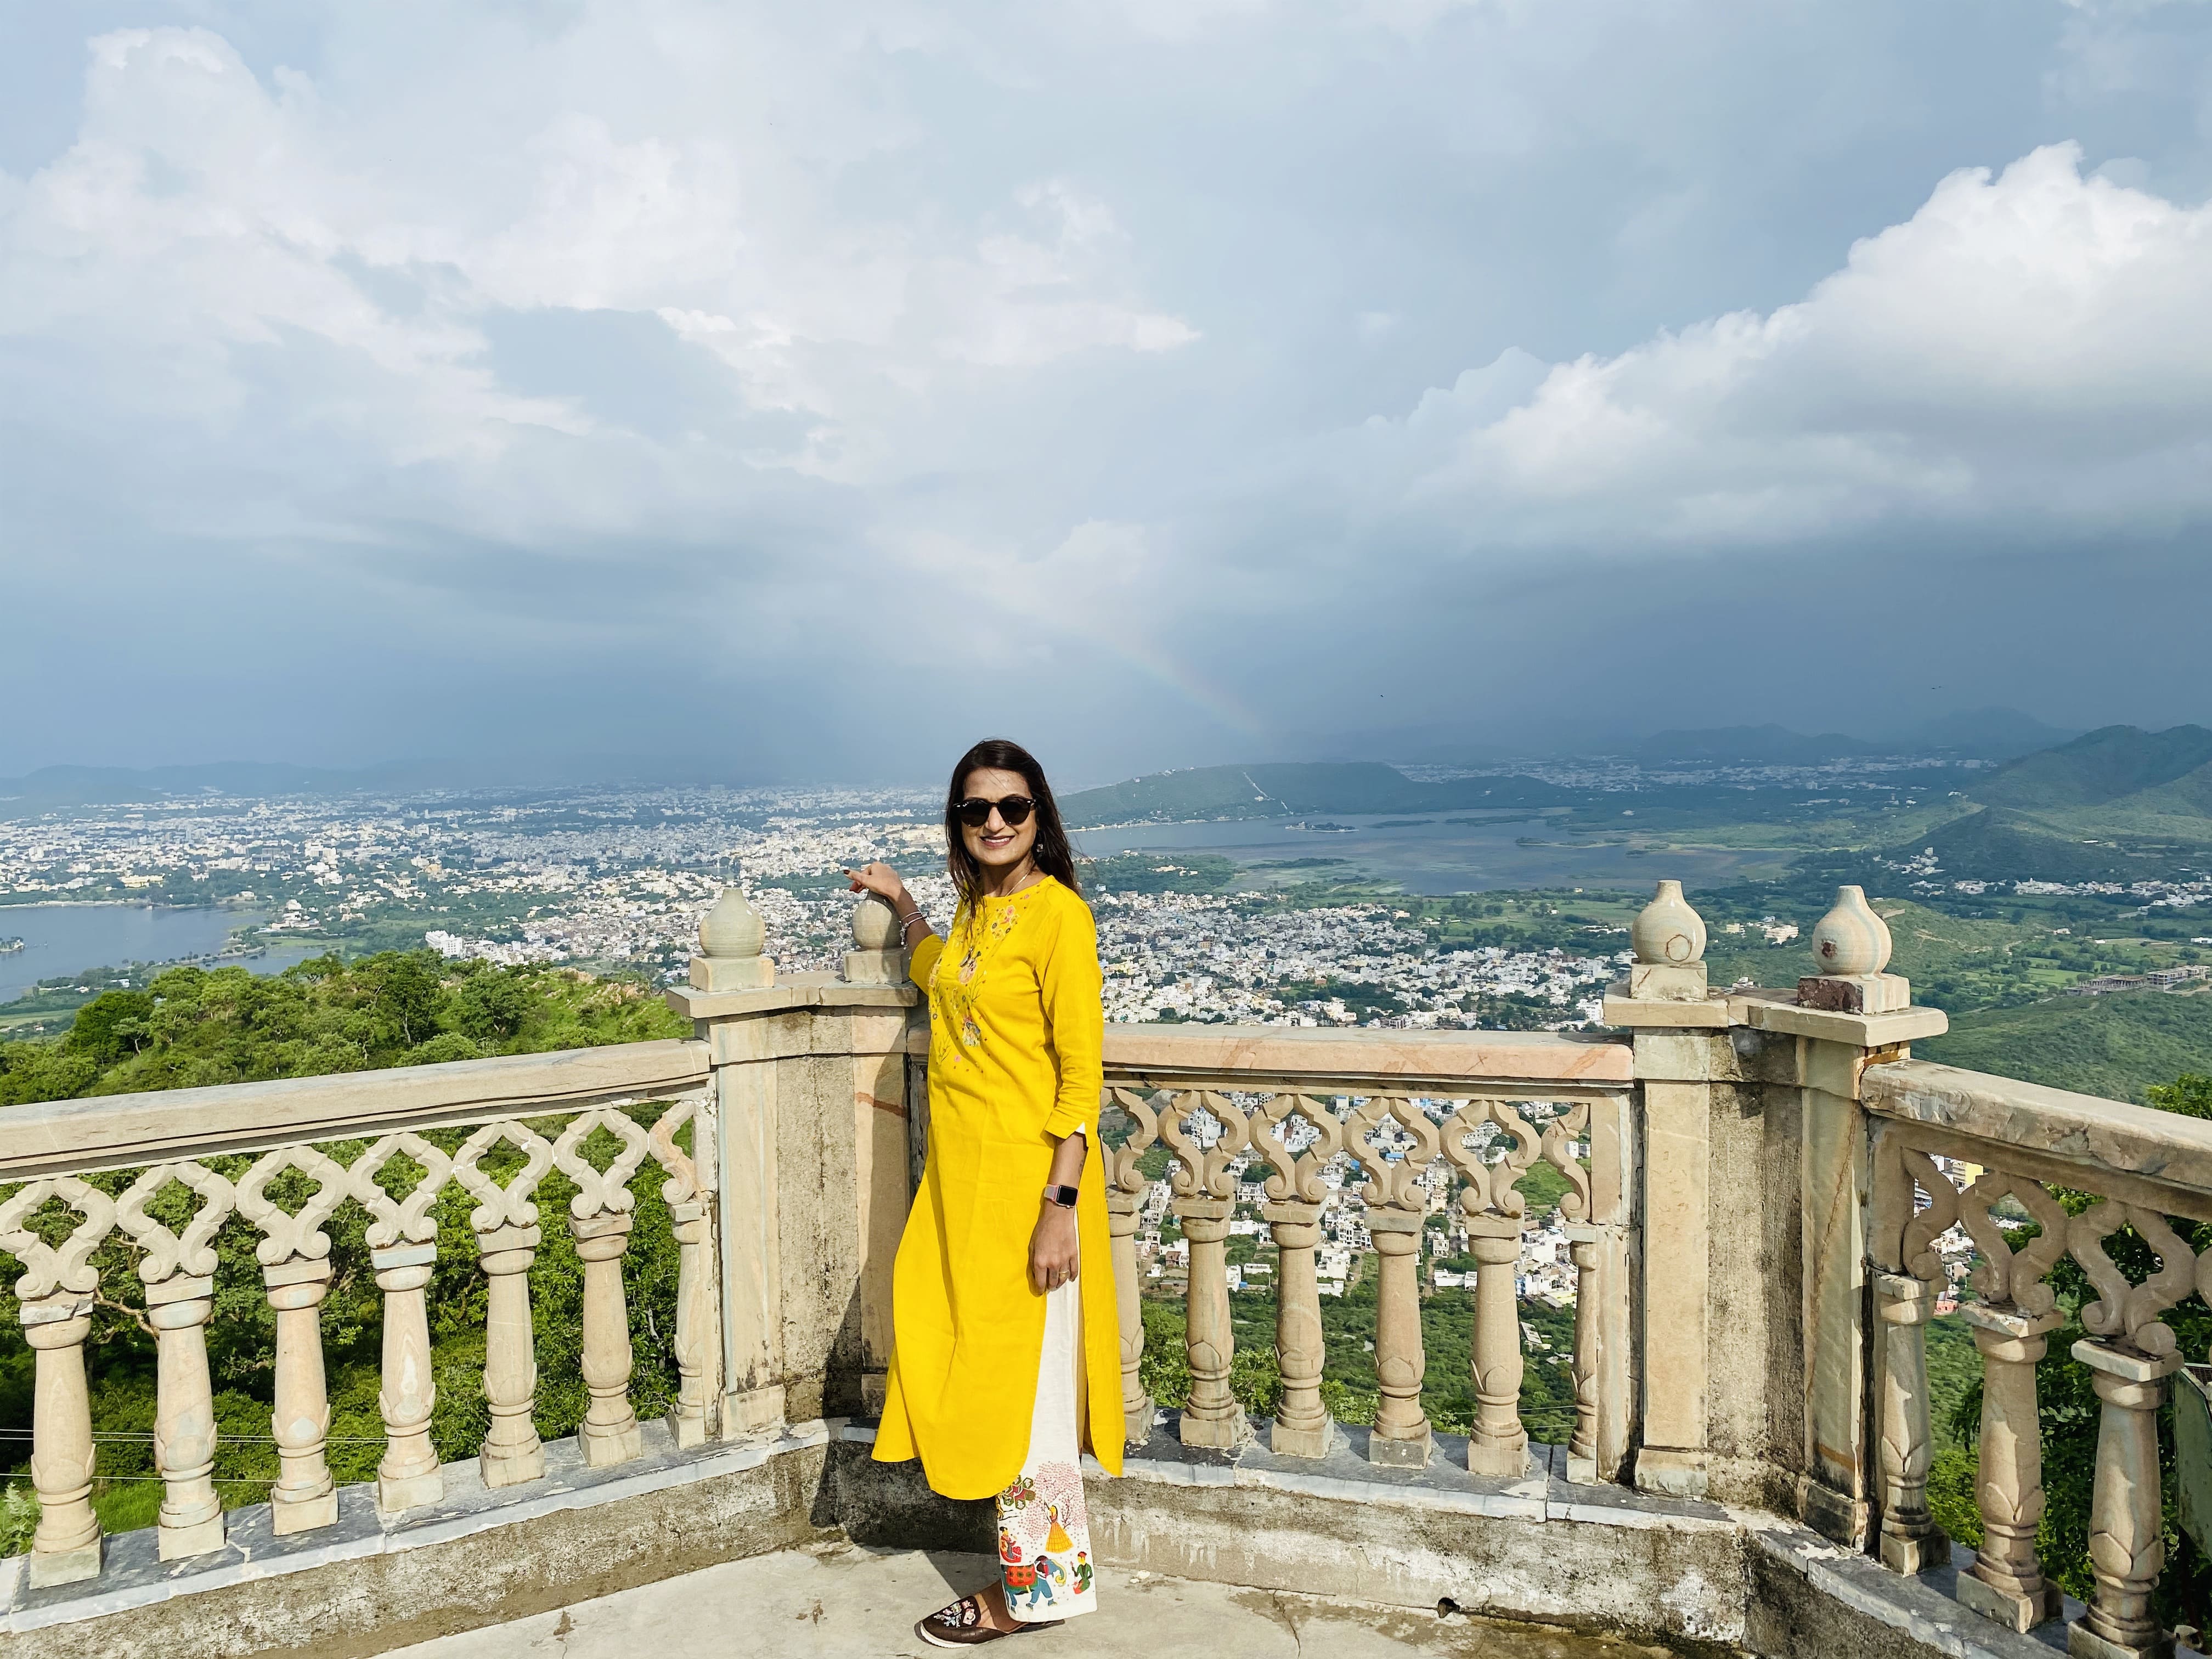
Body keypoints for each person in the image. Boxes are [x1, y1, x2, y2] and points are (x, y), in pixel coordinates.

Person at [845, 738, 1122, 1649]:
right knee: (957, 1358)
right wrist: (903, 904)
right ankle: (1023, 1572)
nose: (995, 822)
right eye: (976, 810)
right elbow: (936, 971)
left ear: (1040, 816)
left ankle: (1036, 1592)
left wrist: (1058, 1208)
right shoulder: (973, 916)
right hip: (958, 1197)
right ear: (958, 824)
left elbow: (1081, 1080)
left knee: (1032, 1401)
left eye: (1013, 807)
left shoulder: (1059, 919)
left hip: (1029, 1196)